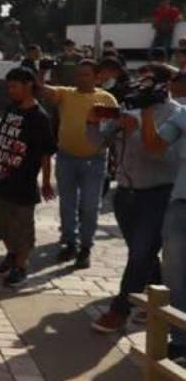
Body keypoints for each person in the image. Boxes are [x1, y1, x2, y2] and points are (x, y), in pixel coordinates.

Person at [88, 64, 176, 333]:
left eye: (148, 81)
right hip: (125, 195)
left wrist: (140, 127)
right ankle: (158, 300)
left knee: (140, 253)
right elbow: (95, 142)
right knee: (143, 254)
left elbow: (162, 156)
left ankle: (119, 310)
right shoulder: (127, 111)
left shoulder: (177, 115)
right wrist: (92, 121)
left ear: (163, 85)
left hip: (158, 195)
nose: (141, 86)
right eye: (140, 80)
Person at [41, 60, 117, 269]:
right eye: (79, 74)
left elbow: (113, 131)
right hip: (66, 158)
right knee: (67, 205)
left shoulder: (107, 99)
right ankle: (69, 242)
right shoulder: (65, 93)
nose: (81, 78)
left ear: (97, 77)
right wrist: (42, 71)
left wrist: (110, 154)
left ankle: (86, 247)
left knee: (90, 206)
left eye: (86, 74)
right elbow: (43, 90)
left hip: (95, 160)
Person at [0, 68, 57, 287]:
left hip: (23, 182)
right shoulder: (10, 109)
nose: (10, 91)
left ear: (28, 85)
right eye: (8, 87)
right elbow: (0, 139)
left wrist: (45, 181)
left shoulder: (39, 118)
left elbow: (46, 153)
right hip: (1, 176)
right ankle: (11, 254)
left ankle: (21, 265)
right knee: (2, 223)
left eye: (14, 86)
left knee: (23, 227)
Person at [139, 70, 186, 360]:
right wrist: (146, 112)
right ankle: (181, 341)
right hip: (182, 204)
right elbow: (155, 146)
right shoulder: (183, 115)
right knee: (175, 276)